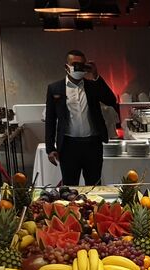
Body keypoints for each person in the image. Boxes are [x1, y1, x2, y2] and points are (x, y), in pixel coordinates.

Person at [45, 49, 119, 186]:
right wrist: (50, 148)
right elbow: (50, 119)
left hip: (92, 144)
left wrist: (96, 75)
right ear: (66, 67)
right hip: (68, 146)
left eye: (82, 65)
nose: (78, 68)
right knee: (69, 186)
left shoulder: (92, 86)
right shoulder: (55, 88)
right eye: (75, 64)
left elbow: (111, 100)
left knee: (94, 185)